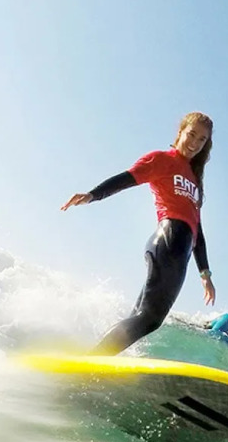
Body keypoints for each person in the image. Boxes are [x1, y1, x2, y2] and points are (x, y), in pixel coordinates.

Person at [61, 112, 216, 355]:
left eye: (202, 139)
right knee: (150, 318)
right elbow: (127, 178)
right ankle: (91, 360)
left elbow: (198, 229)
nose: (195, 143)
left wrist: (205, 273)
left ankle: (97, 361)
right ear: (180, 132)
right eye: (191, 134)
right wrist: (93, 194)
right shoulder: (162, 159)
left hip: (181, 248)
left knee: (140, 315)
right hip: (169, 241)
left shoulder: (194, 179)